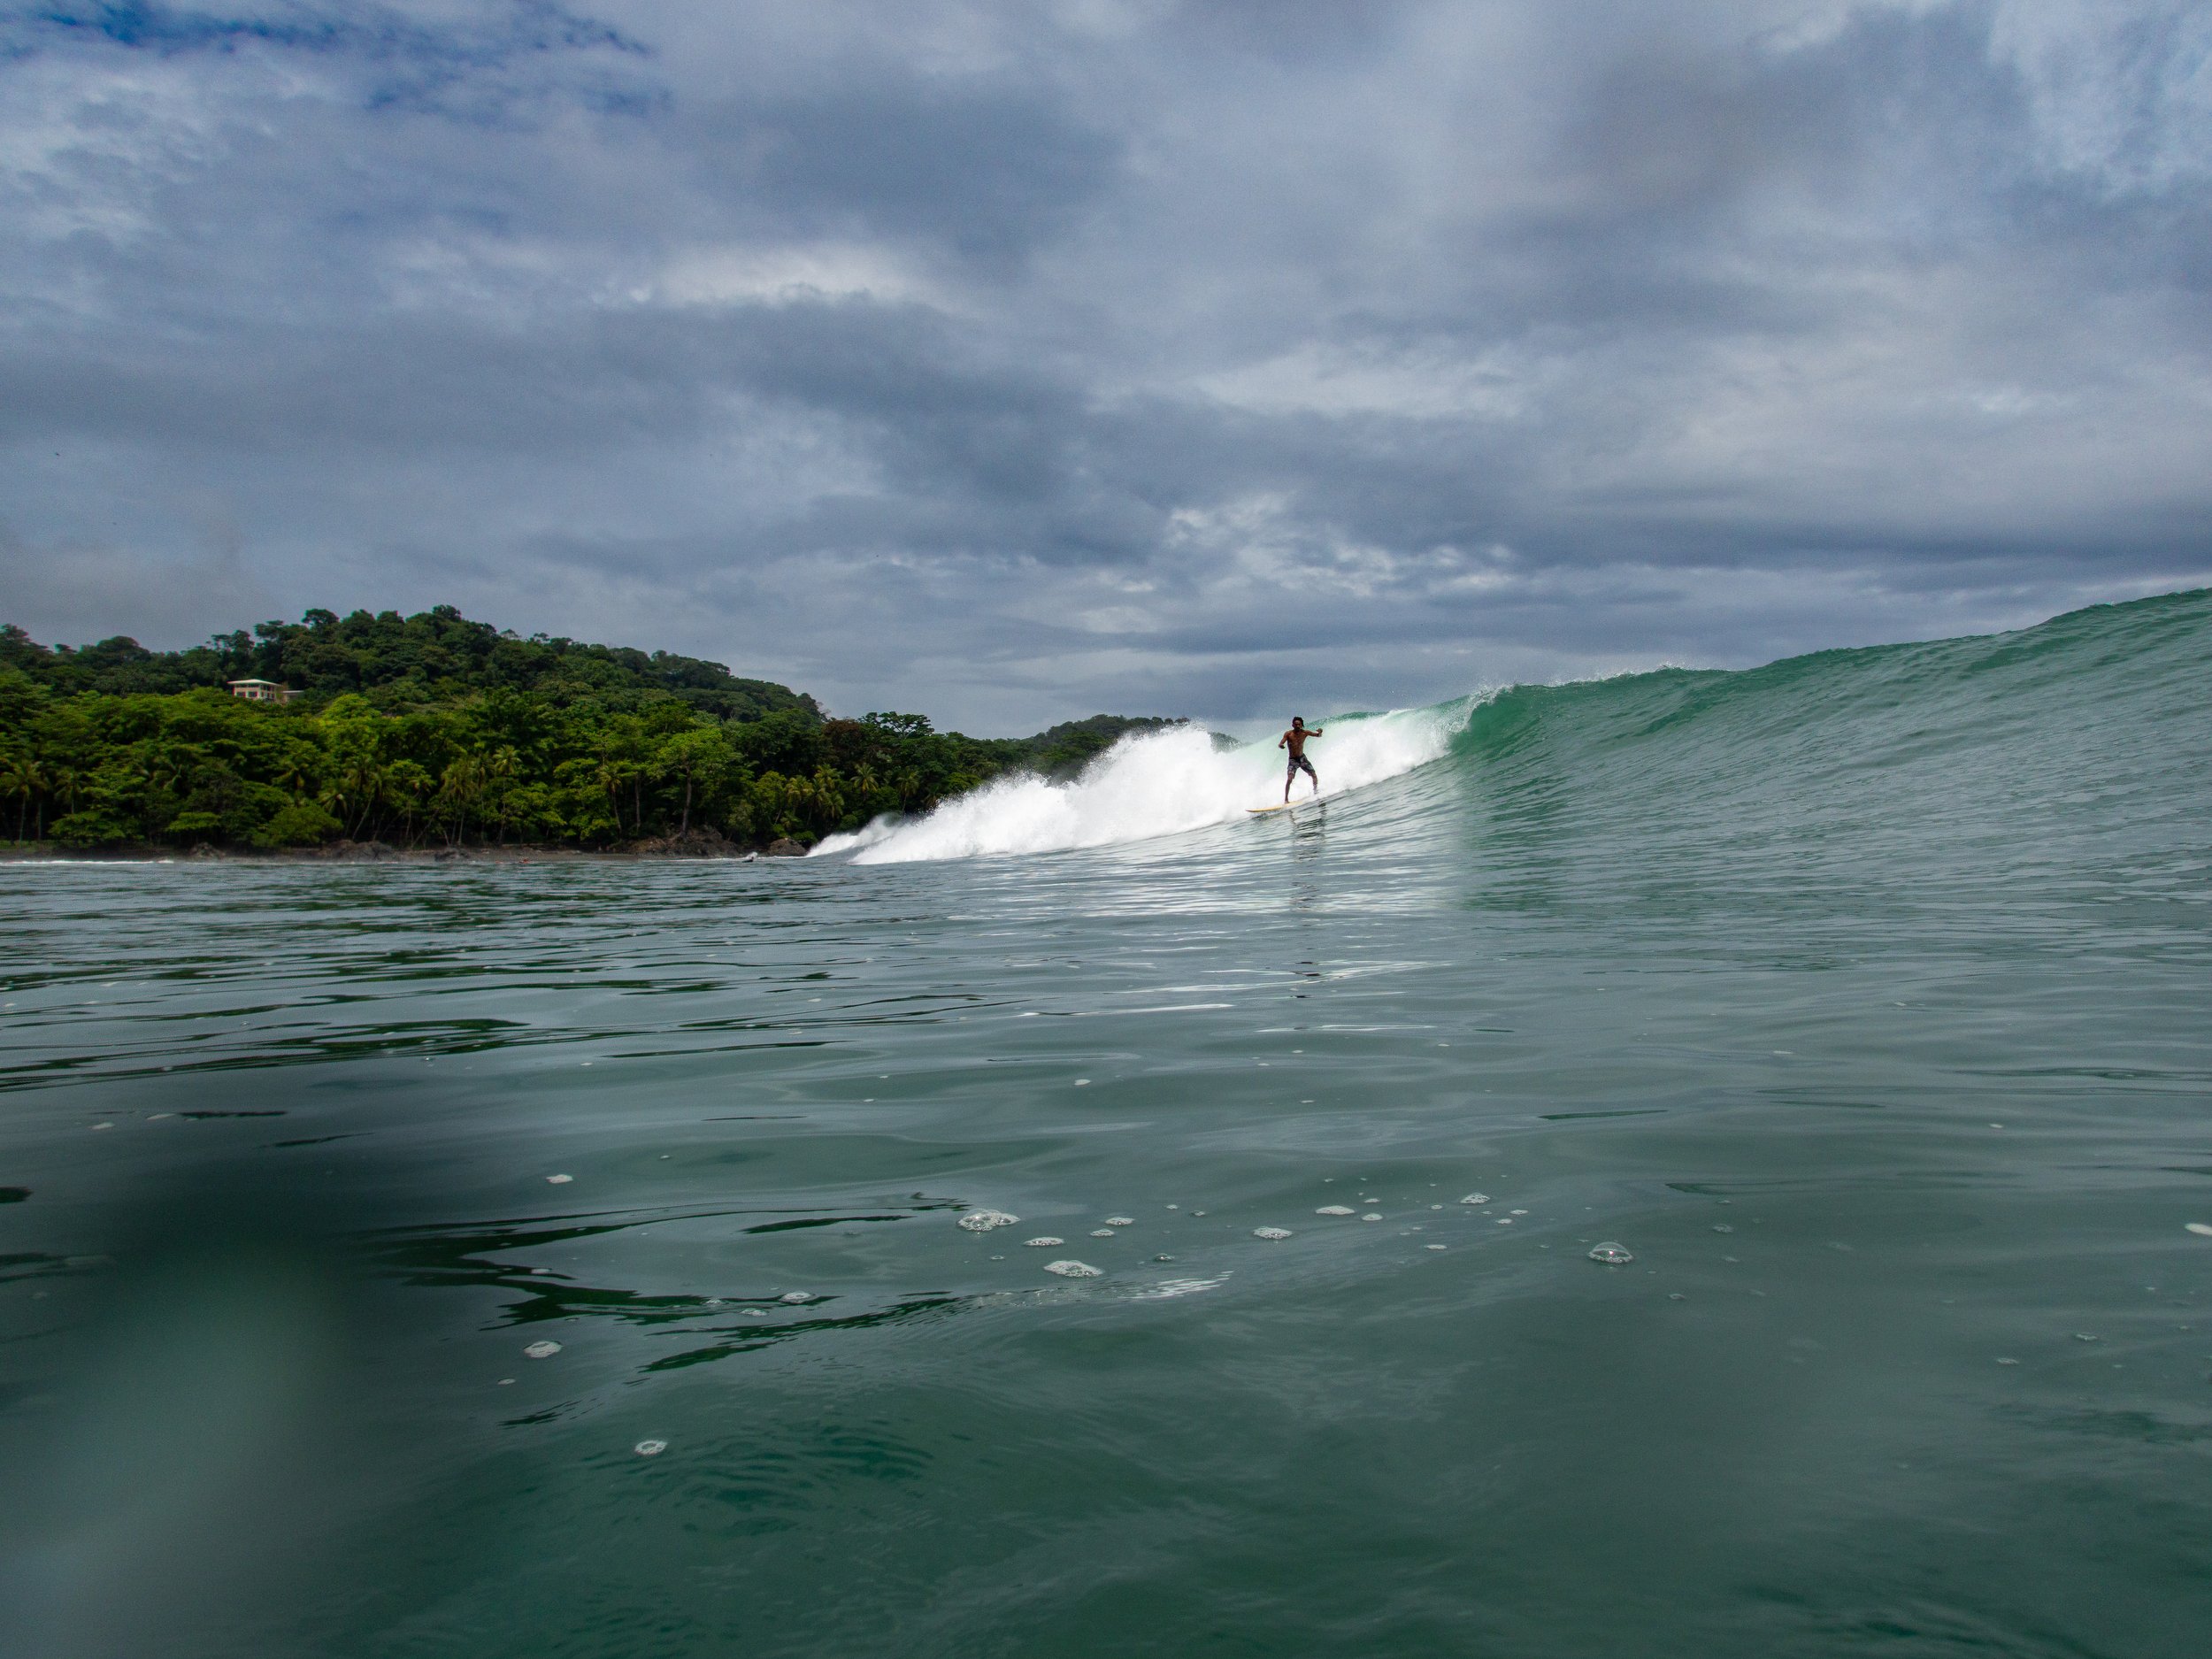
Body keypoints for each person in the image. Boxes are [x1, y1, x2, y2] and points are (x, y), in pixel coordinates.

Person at [1279, 716, 1324, 803]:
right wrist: (1281, 745)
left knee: (1314, 775)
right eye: (1296, 724)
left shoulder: (1305, 733)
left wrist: (1320, 732)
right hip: (1293, 760)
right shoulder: (1288, 734)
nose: (1298, 726)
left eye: (1299, 724)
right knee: (1290, 779)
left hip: (1302, 758)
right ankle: (1286, 799)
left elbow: (1318, 736)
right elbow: (1281, 742)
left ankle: (1315, 792)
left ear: (1302, 725)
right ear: (1293, 725)